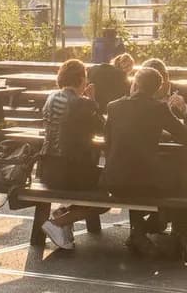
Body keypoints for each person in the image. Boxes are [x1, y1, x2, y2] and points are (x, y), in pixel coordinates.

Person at [104, 67, 187, 256]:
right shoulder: (158, 108)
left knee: (137, 171)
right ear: (156, 89)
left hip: (113, 179)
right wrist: (165, 133)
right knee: (183, 182)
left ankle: (139, 232)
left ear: (135, 84)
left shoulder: (113, 106)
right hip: (145, 182)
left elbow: (108, 139)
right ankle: (158, 227)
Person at [39, 59, 105, 250]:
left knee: (101, 186)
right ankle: (57, 223)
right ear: (81, 80)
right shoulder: (83, 104)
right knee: (107, 194)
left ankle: (62, 215)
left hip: (47, 170)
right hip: (71, 172)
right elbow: (103, 130)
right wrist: (93, 101)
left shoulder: (50, 98)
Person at [142, 57, 187, 128]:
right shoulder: (140, 93)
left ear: (166, 76)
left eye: (155, 82)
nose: (151, 89)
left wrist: (185, 108)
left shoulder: (185, 91)